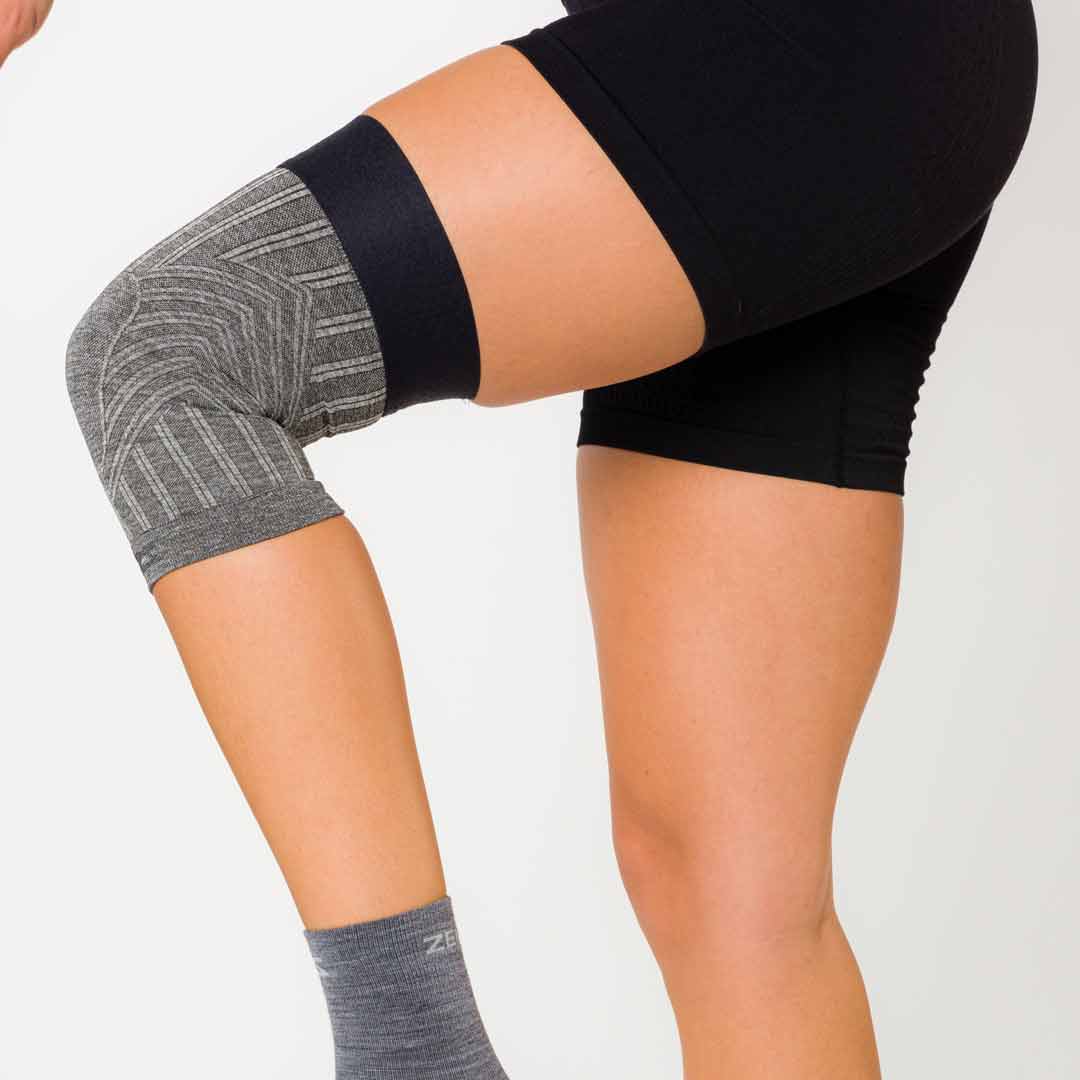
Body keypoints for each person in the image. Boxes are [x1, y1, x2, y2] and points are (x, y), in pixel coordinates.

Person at [64, 0, 1038, 1075]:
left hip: (798, 47)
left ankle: (411, 1055)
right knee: (724, 891)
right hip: (866, 76)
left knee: (172, 347)